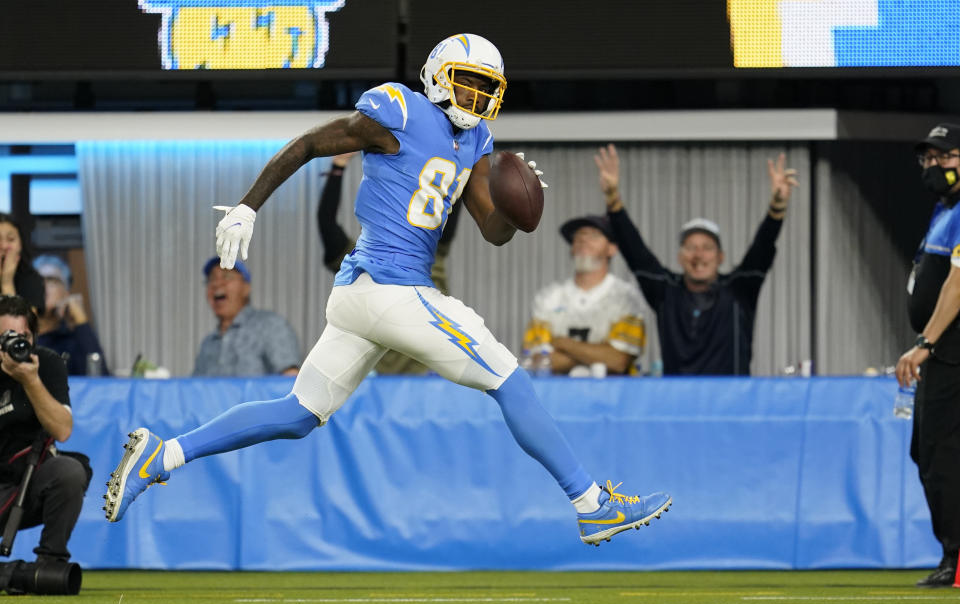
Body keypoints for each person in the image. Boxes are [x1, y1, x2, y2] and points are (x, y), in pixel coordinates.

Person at [103, 33, 671, 546]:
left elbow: (493, 231)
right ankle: (590, 503)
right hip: (389, 289)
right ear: (437, 76)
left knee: (299, 412)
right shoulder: (399, 109)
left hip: (366, 296)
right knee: (508, 376)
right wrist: (249, 205)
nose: (475, 100)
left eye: (486, 90)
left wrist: (523, 209)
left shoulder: (473, 142)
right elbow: (309, 143)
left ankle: (166, 453)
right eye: (466, 84)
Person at [596, 144, 798, 375]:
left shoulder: (739, 290)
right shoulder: (665, 291)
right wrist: (613, 199)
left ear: (720, 257)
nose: (699, 255)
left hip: (733, 404)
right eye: (691, 248)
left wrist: (777, 208)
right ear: (680, 258)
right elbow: (636, 252)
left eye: (707, 248)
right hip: (679, 405)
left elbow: (761, 250)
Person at [317, 151, 464, 374]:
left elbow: (451, 200)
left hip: (431, 377)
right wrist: (338, 165)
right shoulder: (357, 259)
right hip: (376, 383)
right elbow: (326, 222)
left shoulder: (429, 252)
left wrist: (456, 157)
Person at [895, 123, 960, 588]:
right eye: (928, 159)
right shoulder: (945, 210)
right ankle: (951, 553)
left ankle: (956, 558)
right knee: (928, 453)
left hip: (952, 352)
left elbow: (958, 284)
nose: (935, 166)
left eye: (945, 157)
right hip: (939, 354)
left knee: (945, 454)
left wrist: (927, 343)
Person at [0, 295, 89, 564]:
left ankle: (51, 559)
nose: (15, 343)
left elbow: (62, 430)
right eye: (6, 336)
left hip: (30, 481)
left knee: (69, 471)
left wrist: (30, 381)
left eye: (22, 336)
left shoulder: (47, 363)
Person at [522, 214, 645, 376]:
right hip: (558, 394)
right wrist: (601, 354)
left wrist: (562, 343)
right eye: (578, 237)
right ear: (572, 248)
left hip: (613, 396)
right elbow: (537, 362)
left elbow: (619, 360)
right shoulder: (548, 297)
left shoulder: (627, 297)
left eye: (594, 235)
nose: (583, 241)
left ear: (612, 248)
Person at [193, 257, 301, 377]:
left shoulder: (270, 325)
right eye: (211, 279)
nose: (217, 284)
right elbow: (195, 391)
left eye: (227, 276)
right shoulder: (208, 343)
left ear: (246, 288)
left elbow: (290, 378)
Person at [33, 255, 109, 376]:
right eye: (37, 280)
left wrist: (81, 321)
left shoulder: (73, 339)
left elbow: (100, 380)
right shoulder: (21, 332)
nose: (43, 286)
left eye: (52, 280)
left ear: (66, 292)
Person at [0, 214, 45, 314]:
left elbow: (26, 328)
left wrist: (7, 283)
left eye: (11, 239)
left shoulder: (30, 279)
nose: (4, 246)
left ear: (20, 245)